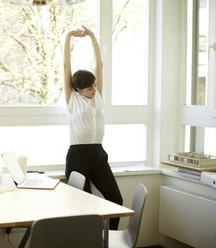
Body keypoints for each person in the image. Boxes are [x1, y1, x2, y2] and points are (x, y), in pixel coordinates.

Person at [63, 25, 123, 230]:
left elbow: (100, 64)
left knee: (116, 200)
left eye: (95, 86)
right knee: (84, 209)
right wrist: (69, 37)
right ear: (78, 89)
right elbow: (65, 67)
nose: (94, 90)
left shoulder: (97, 96)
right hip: (77, 156)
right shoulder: (73, 99)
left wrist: (93, 38)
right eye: (89, 88)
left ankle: (109, 241)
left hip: (98, 154)